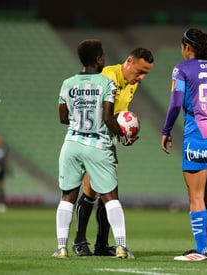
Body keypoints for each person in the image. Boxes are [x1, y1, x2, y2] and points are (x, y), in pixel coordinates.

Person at [52, 39, 136, 259]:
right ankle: (120, 246)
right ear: (99, 59)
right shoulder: (106, 83)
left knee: (67, 196)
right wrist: (123, 136)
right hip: (98, 145)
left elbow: (62, 117)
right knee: (110, 197)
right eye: (103, 56)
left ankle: (61, 248)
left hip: (71, 144)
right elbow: (108, 117)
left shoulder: (67, 83)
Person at [72, 47, 154, 256]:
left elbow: (116, 116)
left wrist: (121, 135)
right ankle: (79, 241)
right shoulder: (108, 76)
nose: (141, 77)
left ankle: (101, 245)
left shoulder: (131, 84)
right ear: (128, 61)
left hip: (107, 139)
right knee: (92, 190)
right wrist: (121, 134)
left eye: (146, 74)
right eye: (140, 71)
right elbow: (97, 111)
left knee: (108, 188)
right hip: (91, 138)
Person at [161, 28, 207, 261]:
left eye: (181, 47)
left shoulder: (181, 69)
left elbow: (175, 104)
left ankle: (201, 250)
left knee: (196, 195)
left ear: (188, 47)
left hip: (199, 135)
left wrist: (166, 130)